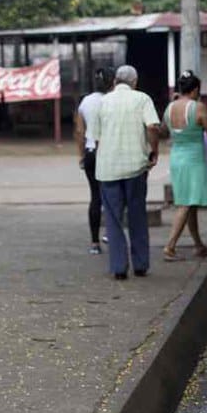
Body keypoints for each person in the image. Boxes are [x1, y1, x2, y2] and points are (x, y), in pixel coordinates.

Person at [89, 65, 163, 280]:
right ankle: (140, 264)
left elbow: (95, 138)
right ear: (134, 81)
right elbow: (152, 127)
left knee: (113, 219)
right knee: (137, 215)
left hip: (108, 169)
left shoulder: (102, 103)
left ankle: (119, 267)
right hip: (135, 167)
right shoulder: (142, 99)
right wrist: (154, 150)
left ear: (114, 82)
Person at [159, 71, 207, 260]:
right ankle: (169, 247)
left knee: (189, 202)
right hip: (194, 160)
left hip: (177, 158)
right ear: (196, 89)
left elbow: (163, 131)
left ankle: (198, 245)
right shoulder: (198, 108)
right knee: (185, 204)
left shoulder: (170, 108)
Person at [74, 66, 114, 254]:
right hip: (109, 153)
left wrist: (81, 155)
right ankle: (110, 234)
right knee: (112, 196)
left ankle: (94, 243)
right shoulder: (112, 101)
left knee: (95, 197)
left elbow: (80, 131)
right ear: (112, 82)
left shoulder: (85, 102)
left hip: (90, 153)